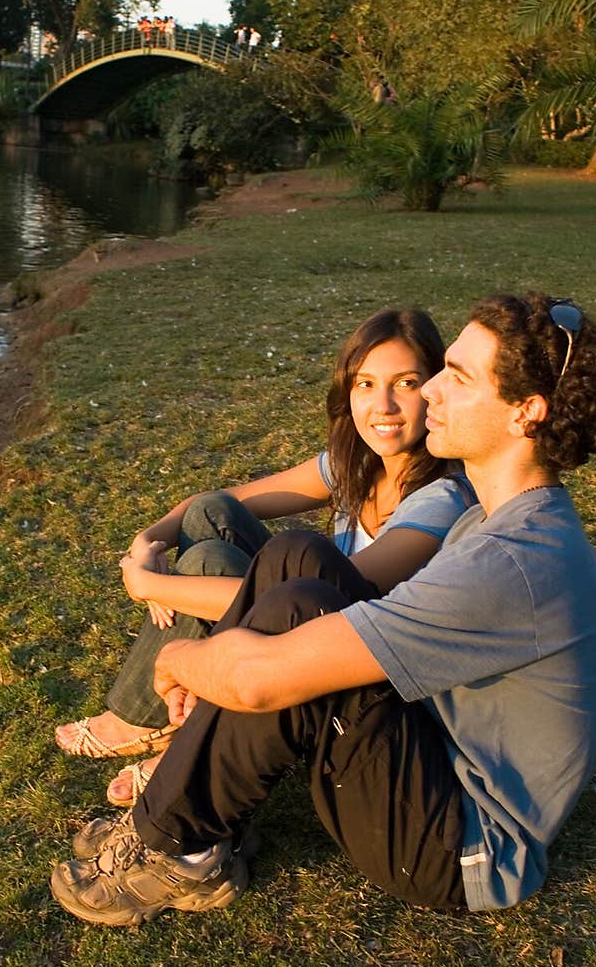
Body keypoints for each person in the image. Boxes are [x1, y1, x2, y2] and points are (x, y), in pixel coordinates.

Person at [50, 292, 596, 928]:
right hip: (434, 745)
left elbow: (256, 678)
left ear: (527, 413)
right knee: (298, 559)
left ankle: (173, 846)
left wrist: (182, 657)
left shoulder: (508, 560)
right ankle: (198, 816)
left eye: (455, 376)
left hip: (461, 846)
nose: (429, 390)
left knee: (294, 623)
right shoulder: (502, 518)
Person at [54, 308, 477, 801]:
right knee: (211, 518)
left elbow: (339, 603)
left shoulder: (440, 498)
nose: (382, 405)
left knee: (208, 563)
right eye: (365, 384)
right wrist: (146, 542)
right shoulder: (356, 465)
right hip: (309, 633)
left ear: (436, 389)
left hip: (360, 668)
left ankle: (151, 720)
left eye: (405, 383)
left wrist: (155, 585)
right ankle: (182, 711)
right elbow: (219, 502)